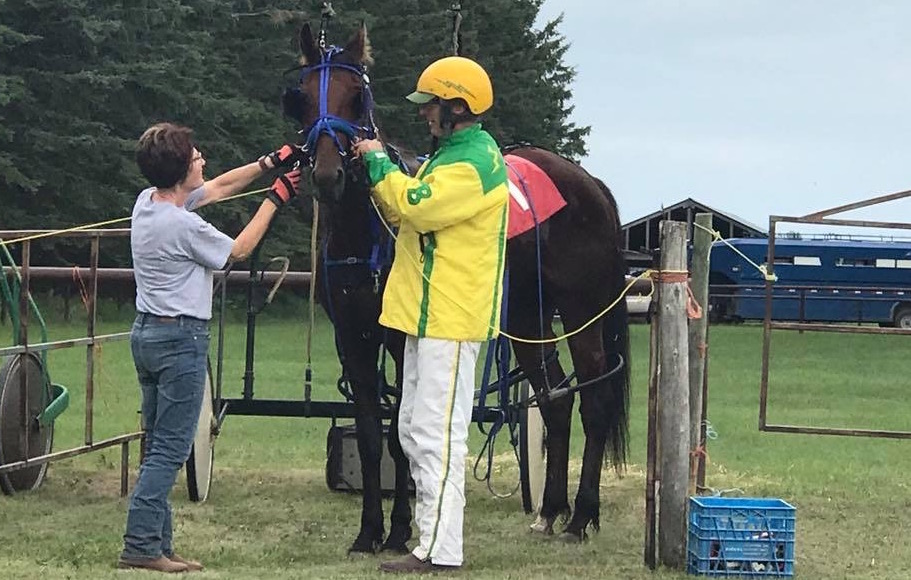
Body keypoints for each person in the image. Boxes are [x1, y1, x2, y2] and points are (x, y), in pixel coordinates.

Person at [118, 122, 301, 573]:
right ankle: (141, 545)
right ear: (181, 171)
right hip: (179, 340)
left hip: (147, 335)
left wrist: (269, 163)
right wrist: (275, 199)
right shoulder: (182, 225)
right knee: (170, 450)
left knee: (157, 443)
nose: (203, 160)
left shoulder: (148, 203)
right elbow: (238, 249)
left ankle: (159, 543)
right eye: (195, 156)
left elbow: (218, 186)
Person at [352, 56, 509, 574]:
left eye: (431, 107)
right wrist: (385, 175)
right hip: (426, 316)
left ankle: (442, 554)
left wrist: (378, 162)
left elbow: (416, 207)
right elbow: (403, 207)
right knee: (414, 431)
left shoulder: (473, 164)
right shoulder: (450, 156)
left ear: (457, 107)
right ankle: (429, 542)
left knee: (438, 436)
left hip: (449, 318)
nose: (425, 116)